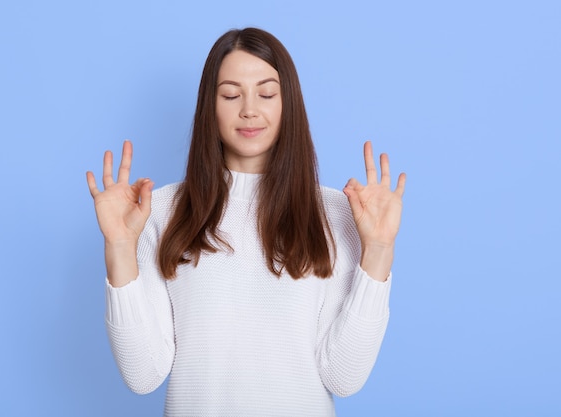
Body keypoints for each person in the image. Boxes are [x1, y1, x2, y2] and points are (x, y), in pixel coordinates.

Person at [86, 27, 405, 416]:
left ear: (289, 104)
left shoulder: (337, 214)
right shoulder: (161, 212)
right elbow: (143, 375)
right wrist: (120, 247)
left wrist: (380, 251)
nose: (249, 109)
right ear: (210, 106)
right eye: (231, 95)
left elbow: (343, 377)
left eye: (267, 94)